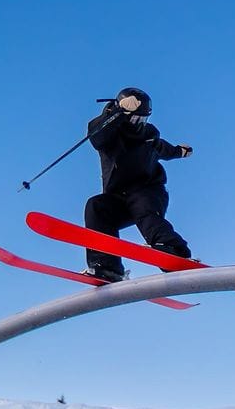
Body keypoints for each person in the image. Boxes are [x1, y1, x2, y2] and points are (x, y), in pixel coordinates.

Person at [82, 87, 194, 281]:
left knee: (143, 207)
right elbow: (97, 137)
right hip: (118, 197)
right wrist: (117, 111)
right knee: (96, 207)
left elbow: (165, 149)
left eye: (143, 119)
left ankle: (172, 249)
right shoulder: (109, 135)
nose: (138, 123)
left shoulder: (149, 135)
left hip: (149, 190)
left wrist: (180, 151)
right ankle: (106, 265)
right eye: (134, 118)